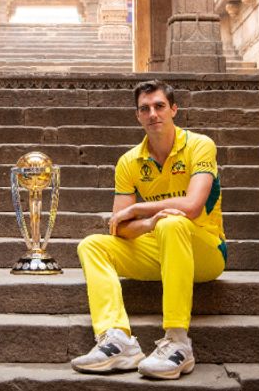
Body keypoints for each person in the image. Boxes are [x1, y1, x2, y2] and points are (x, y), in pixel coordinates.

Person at [71, 80, 227, 380]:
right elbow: (120, 227)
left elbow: (193, 206)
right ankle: (117, 340)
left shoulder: (200, 144)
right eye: (145, 109)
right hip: (160, 249)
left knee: (174, 222)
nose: (153, 113)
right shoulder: (129, 161)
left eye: (159, 106)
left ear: (174, 110)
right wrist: (149, 223)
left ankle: (178, 343)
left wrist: (139, 209)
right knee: (92, 244)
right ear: (138, 116)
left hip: (206, 251)